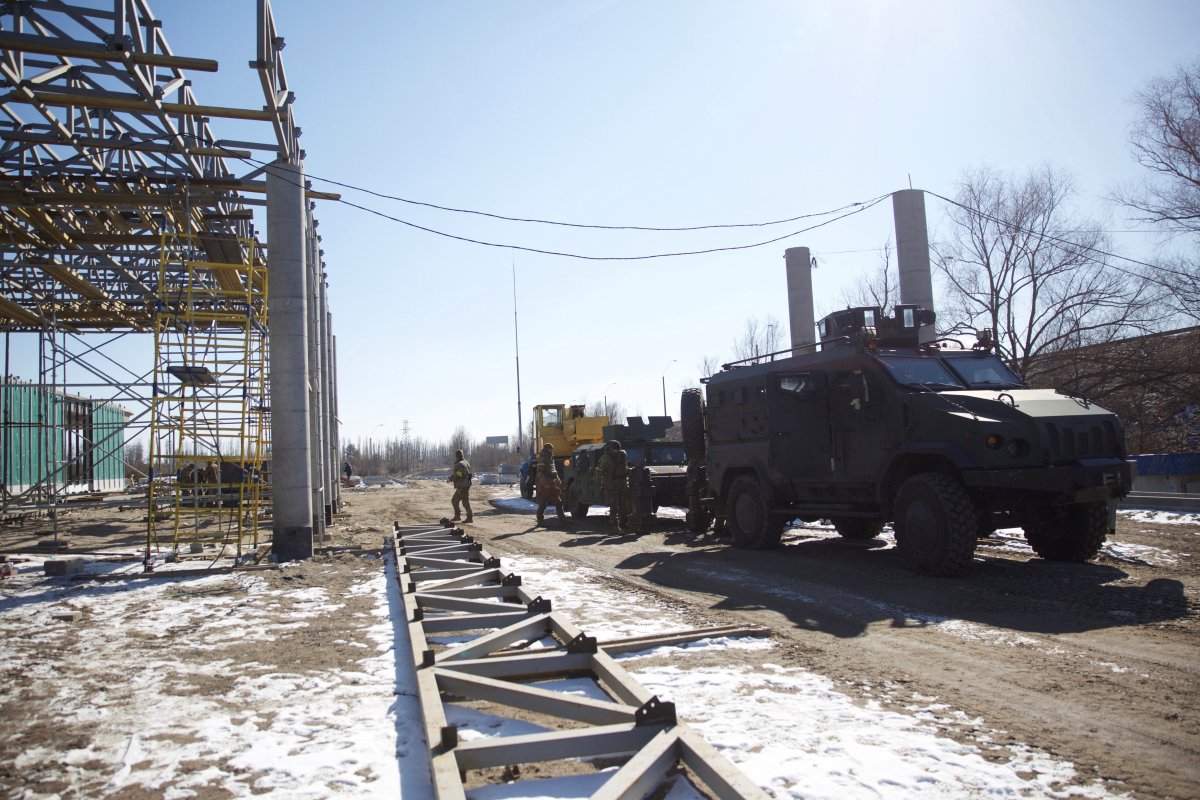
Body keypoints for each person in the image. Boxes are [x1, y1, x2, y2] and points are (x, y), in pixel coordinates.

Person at [596, 439, 630, 532]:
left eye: (618, 449)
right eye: (615, 449)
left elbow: (625, 466)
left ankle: (625, 522)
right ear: (611, 448)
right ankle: (616, 526)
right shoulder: (605, 457)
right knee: (614, 505)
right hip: (611, 485)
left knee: (624, 504)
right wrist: (598, 484)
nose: (617, 451)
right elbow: (599, 471)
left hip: (622, 483)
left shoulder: (622, 455)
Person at [534, 443, 567, 526]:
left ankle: (562, 520)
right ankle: (540, 518)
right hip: (545, 484)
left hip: (552, 483)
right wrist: (545, 484)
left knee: (558, 502)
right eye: (550, 449)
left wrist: (559, 481)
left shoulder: (550, 458)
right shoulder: (542, 459)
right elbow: (540, 473)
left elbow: (554, 472)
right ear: (547, 449)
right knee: (543, 502)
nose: (552, 450)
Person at [448, 449, 473, 523]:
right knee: (460, 501)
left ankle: (465, 517)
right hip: (465, 485)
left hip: (462, 486)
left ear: (457, 456)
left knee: (459, 501)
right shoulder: (465, 463)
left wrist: (450, 479)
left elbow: (458, 474)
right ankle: (462, 517)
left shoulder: (460, 464)